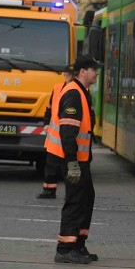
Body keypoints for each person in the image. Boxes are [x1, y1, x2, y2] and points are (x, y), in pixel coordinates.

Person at [47, 54, 100, 264]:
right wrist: (72, 164)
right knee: (76, 201)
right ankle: (65, 248)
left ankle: (77, 244)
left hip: (80, 159)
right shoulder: (73, 93)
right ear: (83, 71)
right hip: (72, 159)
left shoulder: (82, 91)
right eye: (94, 70)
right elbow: (68, 131)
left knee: (86, 199)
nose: (97, 74)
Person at [37, 68, 74, 199]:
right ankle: (48, 189)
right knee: (51, 165)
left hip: (68, 136)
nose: (67, 75)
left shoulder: (80, 90)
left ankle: (71, 193)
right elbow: (49, 107)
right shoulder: (57, 88)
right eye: (66, 73)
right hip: (55, 136)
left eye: (69, 73)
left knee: (68, 166)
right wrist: (46, 123)